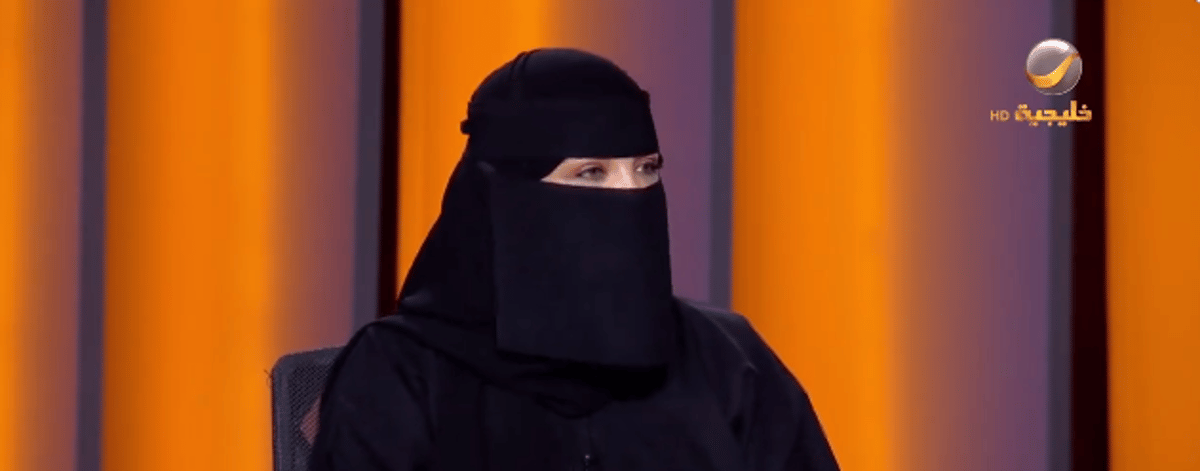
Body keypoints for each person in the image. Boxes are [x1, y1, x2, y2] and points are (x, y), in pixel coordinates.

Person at [308, 47, 840, 471]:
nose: (631, 195)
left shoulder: (727, 357)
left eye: (647, 169)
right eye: (591, 173)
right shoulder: (400, 371)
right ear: (503, 199)